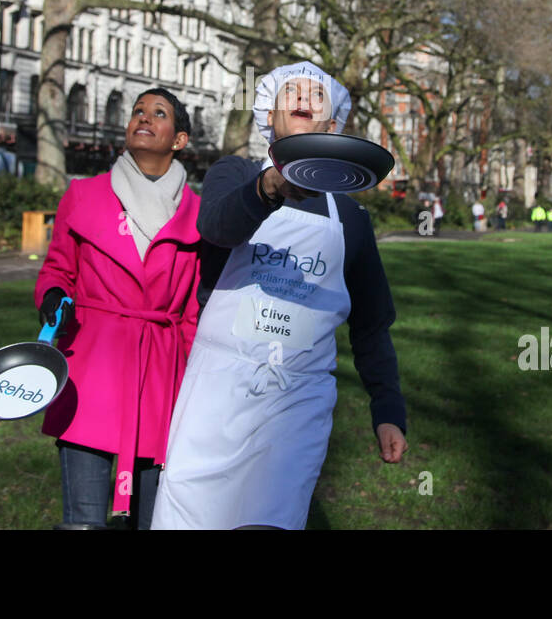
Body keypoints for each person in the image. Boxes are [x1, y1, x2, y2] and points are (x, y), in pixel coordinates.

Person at [151, 61, 407, 530]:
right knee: (190, 514)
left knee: (272, 519)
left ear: (333, 124)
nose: (305, 97)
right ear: (270, 114)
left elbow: (372, 324)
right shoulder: (233, 173)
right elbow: (217, 228)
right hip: (219, 388)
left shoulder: (349, 217)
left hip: (298, 397)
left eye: (318, 94)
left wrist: (387, 408)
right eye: (293, 91)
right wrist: (268, 188)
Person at [33, 88, 202, 529]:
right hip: (91, 366)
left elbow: (192, 315)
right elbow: (57, 269)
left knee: (151, 521)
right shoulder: (83, 195)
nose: (143, 118)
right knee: (83, 522)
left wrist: (194, 388)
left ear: (179, 139)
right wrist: (52, 296)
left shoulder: (199, 216)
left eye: (158, 113)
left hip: (161, 377)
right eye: (138, 111)